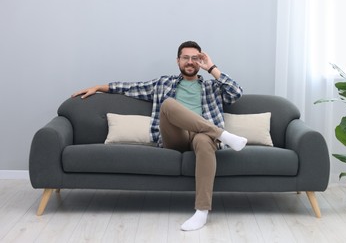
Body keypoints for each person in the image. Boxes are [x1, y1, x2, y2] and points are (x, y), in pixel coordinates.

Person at [72, 41, 247, 231]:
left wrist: (211, 67)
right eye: (185, 58)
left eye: (195, 58)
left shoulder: (212, 87)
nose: (190, 62)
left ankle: (201, 212)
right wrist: (98, 87)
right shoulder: (163, 83)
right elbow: (129, 88)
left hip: (201, 136)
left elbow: (236, 92)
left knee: (205, 141)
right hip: (175, 137)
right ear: (178, 61)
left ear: (200, 61)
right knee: (168, 104)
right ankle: (222, 135)